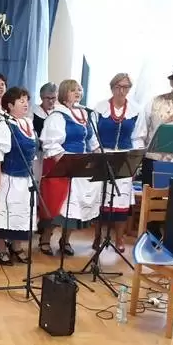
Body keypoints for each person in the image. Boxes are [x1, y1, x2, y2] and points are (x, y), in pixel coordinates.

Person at [39, 79, 100, 256]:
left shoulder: (85, 114)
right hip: (62, 166)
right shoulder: (58, 116)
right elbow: (51, 143)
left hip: (81, 167)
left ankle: (65, 240)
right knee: (58, 205)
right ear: (65, 93)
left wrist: (97, 157)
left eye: (79, 90)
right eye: (74, 90)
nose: (78, 93)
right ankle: (45, 238)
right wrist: (66, 163)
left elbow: (92, 140)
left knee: (76, 206)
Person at [91, 73, 146, 252]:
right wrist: (98, 151)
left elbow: (138, 137)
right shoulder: (100, 108)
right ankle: (97, 236)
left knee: (121, 199)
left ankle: (119, 238)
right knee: (100, 197)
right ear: (112, 87)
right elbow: (92, 134)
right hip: (103, 155)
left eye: (125, 87)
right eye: (118, 87)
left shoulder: (136, 110)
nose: (121, 91)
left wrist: (134, 159)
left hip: (124, 157)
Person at [0, 87, 38, 265]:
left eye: (26, 100)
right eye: (21, 100)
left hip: (25, 178)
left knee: (22, 213)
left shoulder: (28, 124)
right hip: (9, 177)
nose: (25, 104)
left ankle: (16, 246)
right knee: (5, 213)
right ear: (9, 105)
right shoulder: (4, 125)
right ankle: (0, 247)